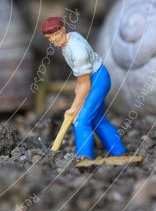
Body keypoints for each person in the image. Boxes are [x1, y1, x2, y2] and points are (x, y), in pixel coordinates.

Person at [40, 16, 127, 161]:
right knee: (97, 119)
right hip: (94, 77)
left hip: (97, 81)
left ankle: (84, 158)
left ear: (63, 29)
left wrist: (74, 108)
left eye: (55, 34)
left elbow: (85, 84)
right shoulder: (69, 38)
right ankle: (119, 151)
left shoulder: (77, 52)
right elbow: (81, 81)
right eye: (49, 38)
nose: (53, 40)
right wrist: (78, 95)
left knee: (81, 120)